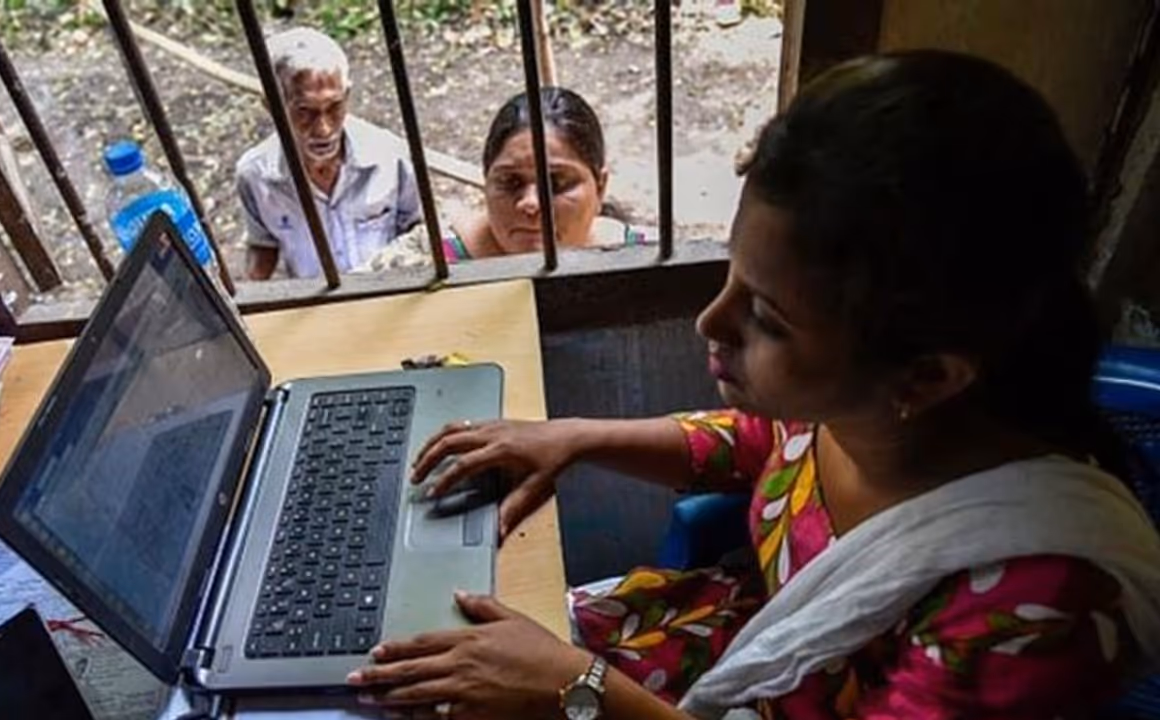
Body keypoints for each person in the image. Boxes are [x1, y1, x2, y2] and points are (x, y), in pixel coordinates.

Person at [345, 51, 1160, 719]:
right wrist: (577, 437)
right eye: (733, 278)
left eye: (765, 315)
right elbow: (771, 441)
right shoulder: (879, 410)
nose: (711, 323)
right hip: (717, 639)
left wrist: (575, 690)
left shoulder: (1035, 615)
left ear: (927, 373)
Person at [362, 87, 649, 271]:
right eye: (510, 182)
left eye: (556, 184)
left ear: (600, 187)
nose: (530, 203)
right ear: (486, 180)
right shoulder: (417, 264)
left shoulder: (646, 258)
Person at [236, 28, 422, 280]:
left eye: (334, 107)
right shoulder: (255, 175)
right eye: (305, 111)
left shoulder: (390, 156)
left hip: (386, 297)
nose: (323, 128)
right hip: (315, 306)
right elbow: (262, 245)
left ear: (347, 96)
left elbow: (418, 228)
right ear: (271, 107)